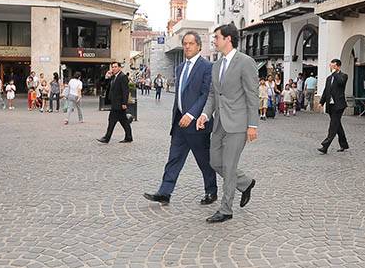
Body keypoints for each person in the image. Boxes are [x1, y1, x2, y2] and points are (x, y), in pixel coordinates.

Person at [144, 32, 217, 206]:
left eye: (191, 43)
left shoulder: (207, 66)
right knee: (174, 158)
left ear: (199, 46)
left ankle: (211, 191)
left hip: (197, 124)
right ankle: (164, 192)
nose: (187, 47)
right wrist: (180, 114)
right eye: (185, 43)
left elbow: (205, 95)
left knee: (204, 161)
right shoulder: (180, 67)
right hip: (179, 124)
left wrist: (191, 114)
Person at [196, 23, 258, 223]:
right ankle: (246, 183)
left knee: (229, 166)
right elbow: (213, 95)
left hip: (238, 124)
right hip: (219, 123)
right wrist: (205, 115)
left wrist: (252, 125)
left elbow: (252, 95)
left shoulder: (245, 62)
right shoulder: (216, 65)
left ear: (228, 39)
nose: (214, 41)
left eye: (216, 37)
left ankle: (226, 209)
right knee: (215, 162)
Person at [318, 59, 349, 153]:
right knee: (337, 124)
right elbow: (326, 91)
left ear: (338, 66)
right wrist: (321, 102)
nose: (331, 67)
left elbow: (341, 83)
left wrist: (335, 73)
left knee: (333, 125)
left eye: (333, 66)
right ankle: (344, 144)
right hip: (330, 105)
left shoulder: (343, 76)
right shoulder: (329, 78)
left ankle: (325, 146)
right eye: (331, 66)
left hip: (339, 105)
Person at [97, 62, 132, 143]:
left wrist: (124, 103)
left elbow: (125, 91)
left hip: (119, 104)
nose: (113, 68)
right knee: (124, 121)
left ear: (119, 68)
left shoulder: (123, 77)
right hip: (114, 102)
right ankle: (129, 137)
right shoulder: (113, 77)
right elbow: (103, 85)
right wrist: (106, 76)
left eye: (115, 67)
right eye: (112, 67)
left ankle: (107, 138)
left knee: (112, 120)